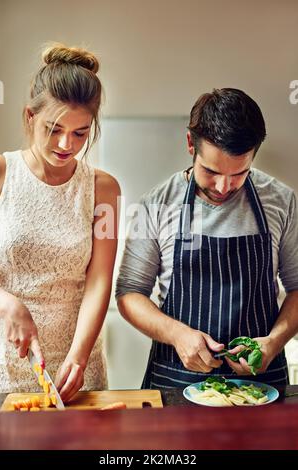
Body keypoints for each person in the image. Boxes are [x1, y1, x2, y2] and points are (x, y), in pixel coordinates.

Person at [116, 88, 298, 388]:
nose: (224, 187)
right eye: (211, 171)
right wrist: (177, 335)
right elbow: (129, 293)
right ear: (191, 144)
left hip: (261, 383)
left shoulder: (281, 201)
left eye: (239, 173)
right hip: (177, 378)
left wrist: (274, 343)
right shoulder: (155, 204)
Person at [0, 43, 120, 401]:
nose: (66, 144)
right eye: (53, 128)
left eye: (80, 133)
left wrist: (79, 359)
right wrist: (7, 303)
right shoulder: (1, 174)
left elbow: (99, 281)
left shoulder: (105, 189)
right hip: (5, 362)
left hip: (78, 364)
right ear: (30, 117)